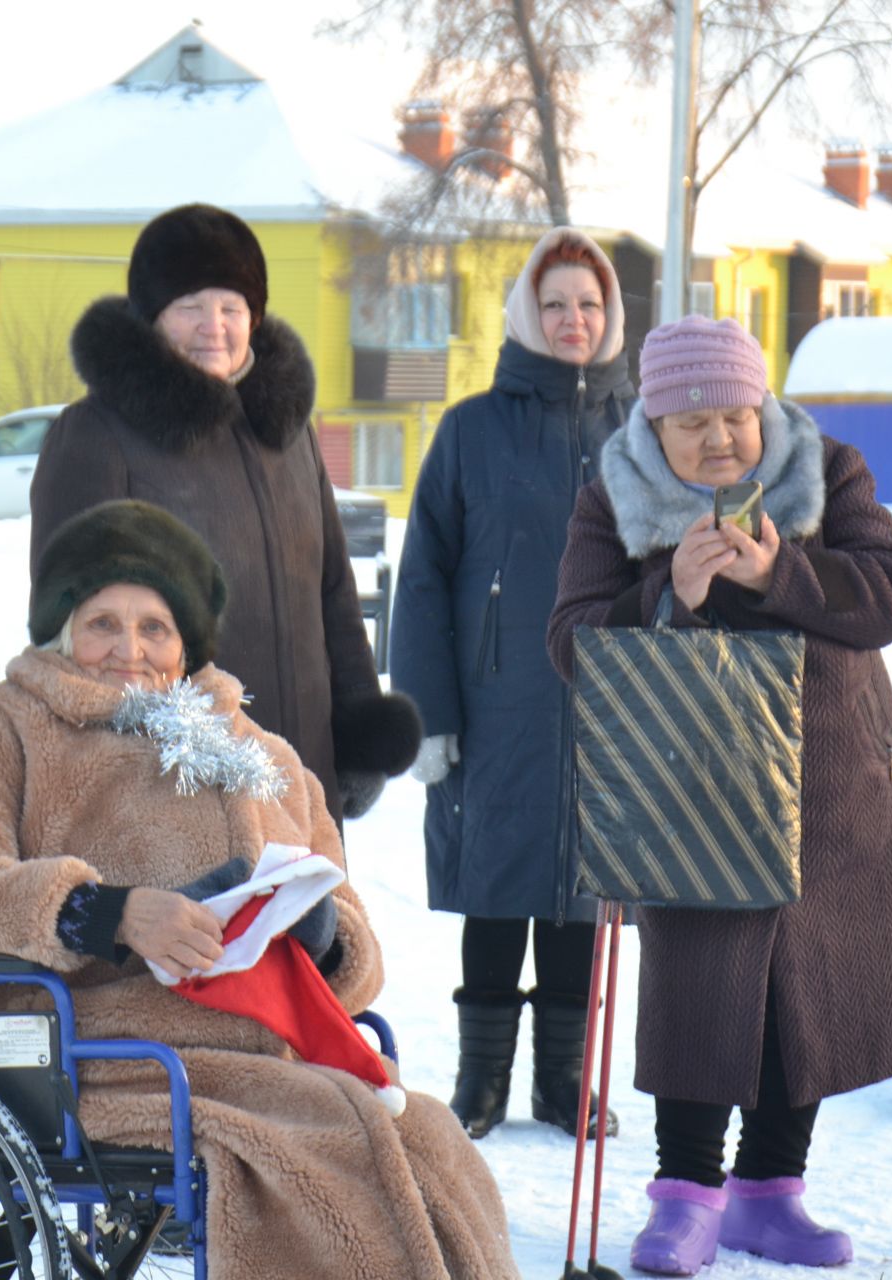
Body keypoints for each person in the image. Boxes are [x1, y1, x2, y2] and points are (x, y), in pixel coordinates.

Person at [0, 500, 521, 1280]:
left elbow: (357, 953)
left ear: (186, 640)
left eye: (154, 627)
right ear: (61, 629)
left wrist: (321, 934)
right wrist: (110, 913)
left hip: (275, 1055)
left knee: (431, 1146)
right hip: (100, 1053)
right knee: (324, 1157)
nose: (128, 650)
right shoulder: (1, 727)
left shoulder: (262, 751)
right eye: (101, 623)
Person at [547, 316, 892, 1275]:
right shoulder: (613, 499)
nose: (718, 438)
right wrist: (664, 595)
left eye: (734, 416)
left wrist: (781, 571)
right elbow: (571, 638)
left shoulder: (826, 472)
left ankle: (769, 1192)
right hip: (692, 792)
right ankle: (684, 1199)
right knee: (702, 988)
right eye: (692, 423)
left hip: (832, 783)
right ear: (655, 426)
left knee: (809, 986)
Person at [28, 202, 420, 825]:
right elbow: (70, 628)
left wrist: (356, 735)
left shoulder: (287, 434)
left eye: (231, 308)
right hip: (176, 793)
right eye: (190, 307)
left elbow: (333, 594)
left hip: (305, 779)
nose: (215, 326)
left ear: (254, 319)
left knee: (309, 926)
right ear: (153, 319)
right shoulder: (97, 435)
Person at [391, 226, 634, 1141]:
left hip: (611, 705)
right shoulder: (470, 430)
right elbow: (421, 578)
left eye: (590, 304)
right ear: (527, 316)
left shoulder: (640, 429)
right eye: (557, 303)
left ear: (611, 318)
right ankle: (482, 1081)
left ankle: (565, 1083)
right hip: (497, 703)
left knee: (583, 891)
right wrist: (428, 716)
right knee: (494, 889)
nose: (575, 319)